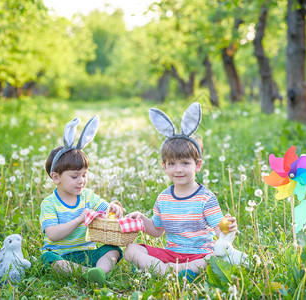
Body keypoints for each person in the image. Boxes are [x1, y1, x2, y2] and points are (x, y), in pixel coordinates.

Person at [124, 103, 237, 279]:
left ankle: (160, 270)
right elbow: (157, 230)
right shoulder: (163, 198)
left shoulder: (205, 198)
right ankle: (168, 271)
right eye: (172, 164)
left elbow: (219, 233)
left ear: (197, 165)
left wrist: (228, 229)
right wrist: (140, 219)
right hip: (171, 255)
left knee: (212, 260)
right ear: (164, 166)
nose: (178, 169)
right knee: (131, 250)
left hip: (199, 255)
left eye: (185, 163)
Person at [39, 116, 123, 285]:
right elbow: (53, 235)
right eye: (74, 176)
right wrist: (79, 219)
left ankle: (98, 271)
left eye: (84, 175)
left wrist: (114, 207)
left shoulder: (87, 196)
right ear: (56, 177)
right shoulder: (49, 203)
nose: (81, 181)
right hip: (61, 255)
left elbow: (106, 209)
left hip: (86, 253)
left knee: (113, 250)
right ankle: (86, 273)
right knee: (47, 258)